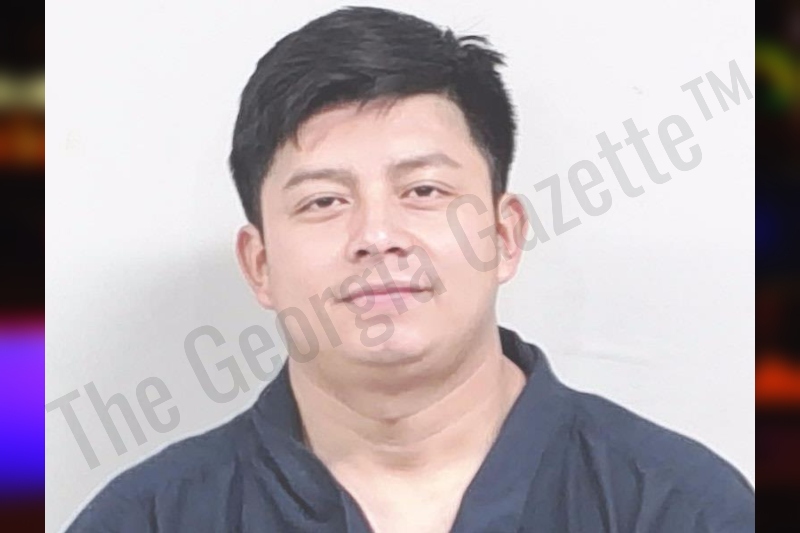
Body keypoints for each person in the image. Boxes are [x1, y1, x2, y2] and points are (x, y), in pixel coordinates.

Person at [66, 6, 754, 532]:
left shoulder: (680, 508)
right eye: (324, 201)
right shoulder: (147, 518)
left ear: (504, 235)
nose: (377, 236)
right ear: (261, 264)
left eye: (423, 190)